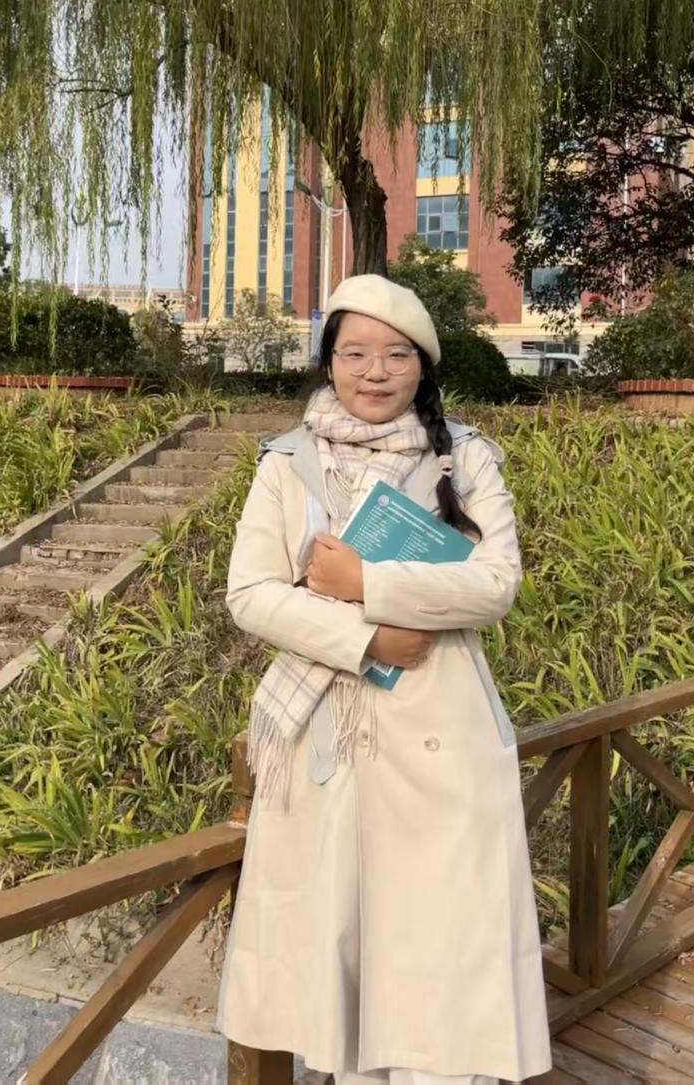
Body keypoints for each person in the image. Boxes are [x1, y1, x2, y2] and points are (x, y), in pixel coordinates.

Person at [216, 274, 551, 1085]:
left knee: (443, 961)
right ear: (328, 360)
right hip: (333, 740)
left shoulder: (465, 455)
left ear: (423, 364)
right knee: (350, 966)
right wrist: (367, 639)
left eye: (397, 354)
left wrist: (365, 581)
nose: (375, 371)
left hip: (445, 732)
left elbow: (496, 582)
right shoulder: (287, 464)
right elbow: (250, 593)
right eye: (355, 353)